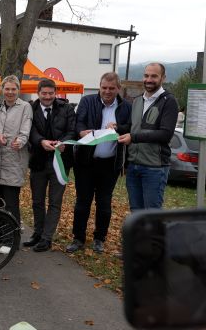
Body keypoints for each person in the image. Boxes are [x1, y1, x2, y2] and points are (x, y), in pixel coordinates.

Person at [66, 72, 131, 254]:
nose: (107, 91)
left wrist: (119, 128)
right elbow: (78, 122)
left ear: (118, 88)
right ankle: (78, 238)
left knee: (104, 204)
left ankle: (99, 239)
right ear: (100, 87)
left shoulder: (126, 107)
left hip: (110, 165)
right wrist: (80, 132)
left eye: (111, 88)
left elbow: (131, 127)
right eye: (104, 88)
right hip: (86, 162)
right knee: (82, 203)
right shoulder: (87, 101)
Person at [118, 63, 179, 211]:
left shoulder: (169, 101)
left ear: (163, 78)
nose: (149, 79)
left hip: (155, 168)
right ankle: (138, 236)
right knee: (136, 212)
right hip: (133, 166)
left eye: (154, 76)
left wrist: (133, 137)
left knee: (151, 215)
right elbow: (133, 127)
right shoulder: (137, 100)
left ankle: (153, 236)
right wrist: (117, 127)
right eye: (146, 75)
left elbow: (165, 134)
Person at [25, 79, 76, 252]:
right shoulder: (30, 109)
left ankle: (47, 238)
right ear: (38, 93)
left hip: (60, 161)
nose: (47, 96)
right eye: (44, 93)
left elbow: (73, 130)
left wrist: (63, 143)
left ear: (56, 93)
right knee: (37, 200)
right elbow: (29, 130)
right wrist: (41, 141)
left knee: (55, 202)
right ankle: (38, 233)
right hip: (38, 161)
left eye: (51, 93)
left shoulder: (67, 109)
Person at [0, 75, 32, 227]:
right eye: (7, 89)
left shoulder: (25, 107)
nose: (10, 92)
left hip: (14, 161)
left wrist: (20, 141)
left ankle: (12, 237)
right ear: (2, 89)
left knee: (11, 203)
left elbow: (26, 130)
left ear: (18, 90)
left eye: (14, 89)